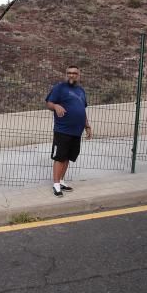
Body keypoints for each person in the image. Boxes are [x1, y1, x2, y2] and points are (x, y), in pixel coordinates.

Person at [46, 66, 92, 197]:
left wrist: (87, 126)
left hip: (76, 131)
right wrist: (55, 105)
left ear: (79, 75)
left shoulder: (81, 91)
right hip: (62, 130)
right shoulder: (59, 88)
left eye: (74, 73)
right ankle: (55, 185)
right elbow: (49, 103)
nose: (71, 75)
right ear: (66, 74)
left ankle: (61, 181)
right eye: (69, 73)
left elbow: (82, 110)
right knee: (60, 157)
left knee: (68, 157)